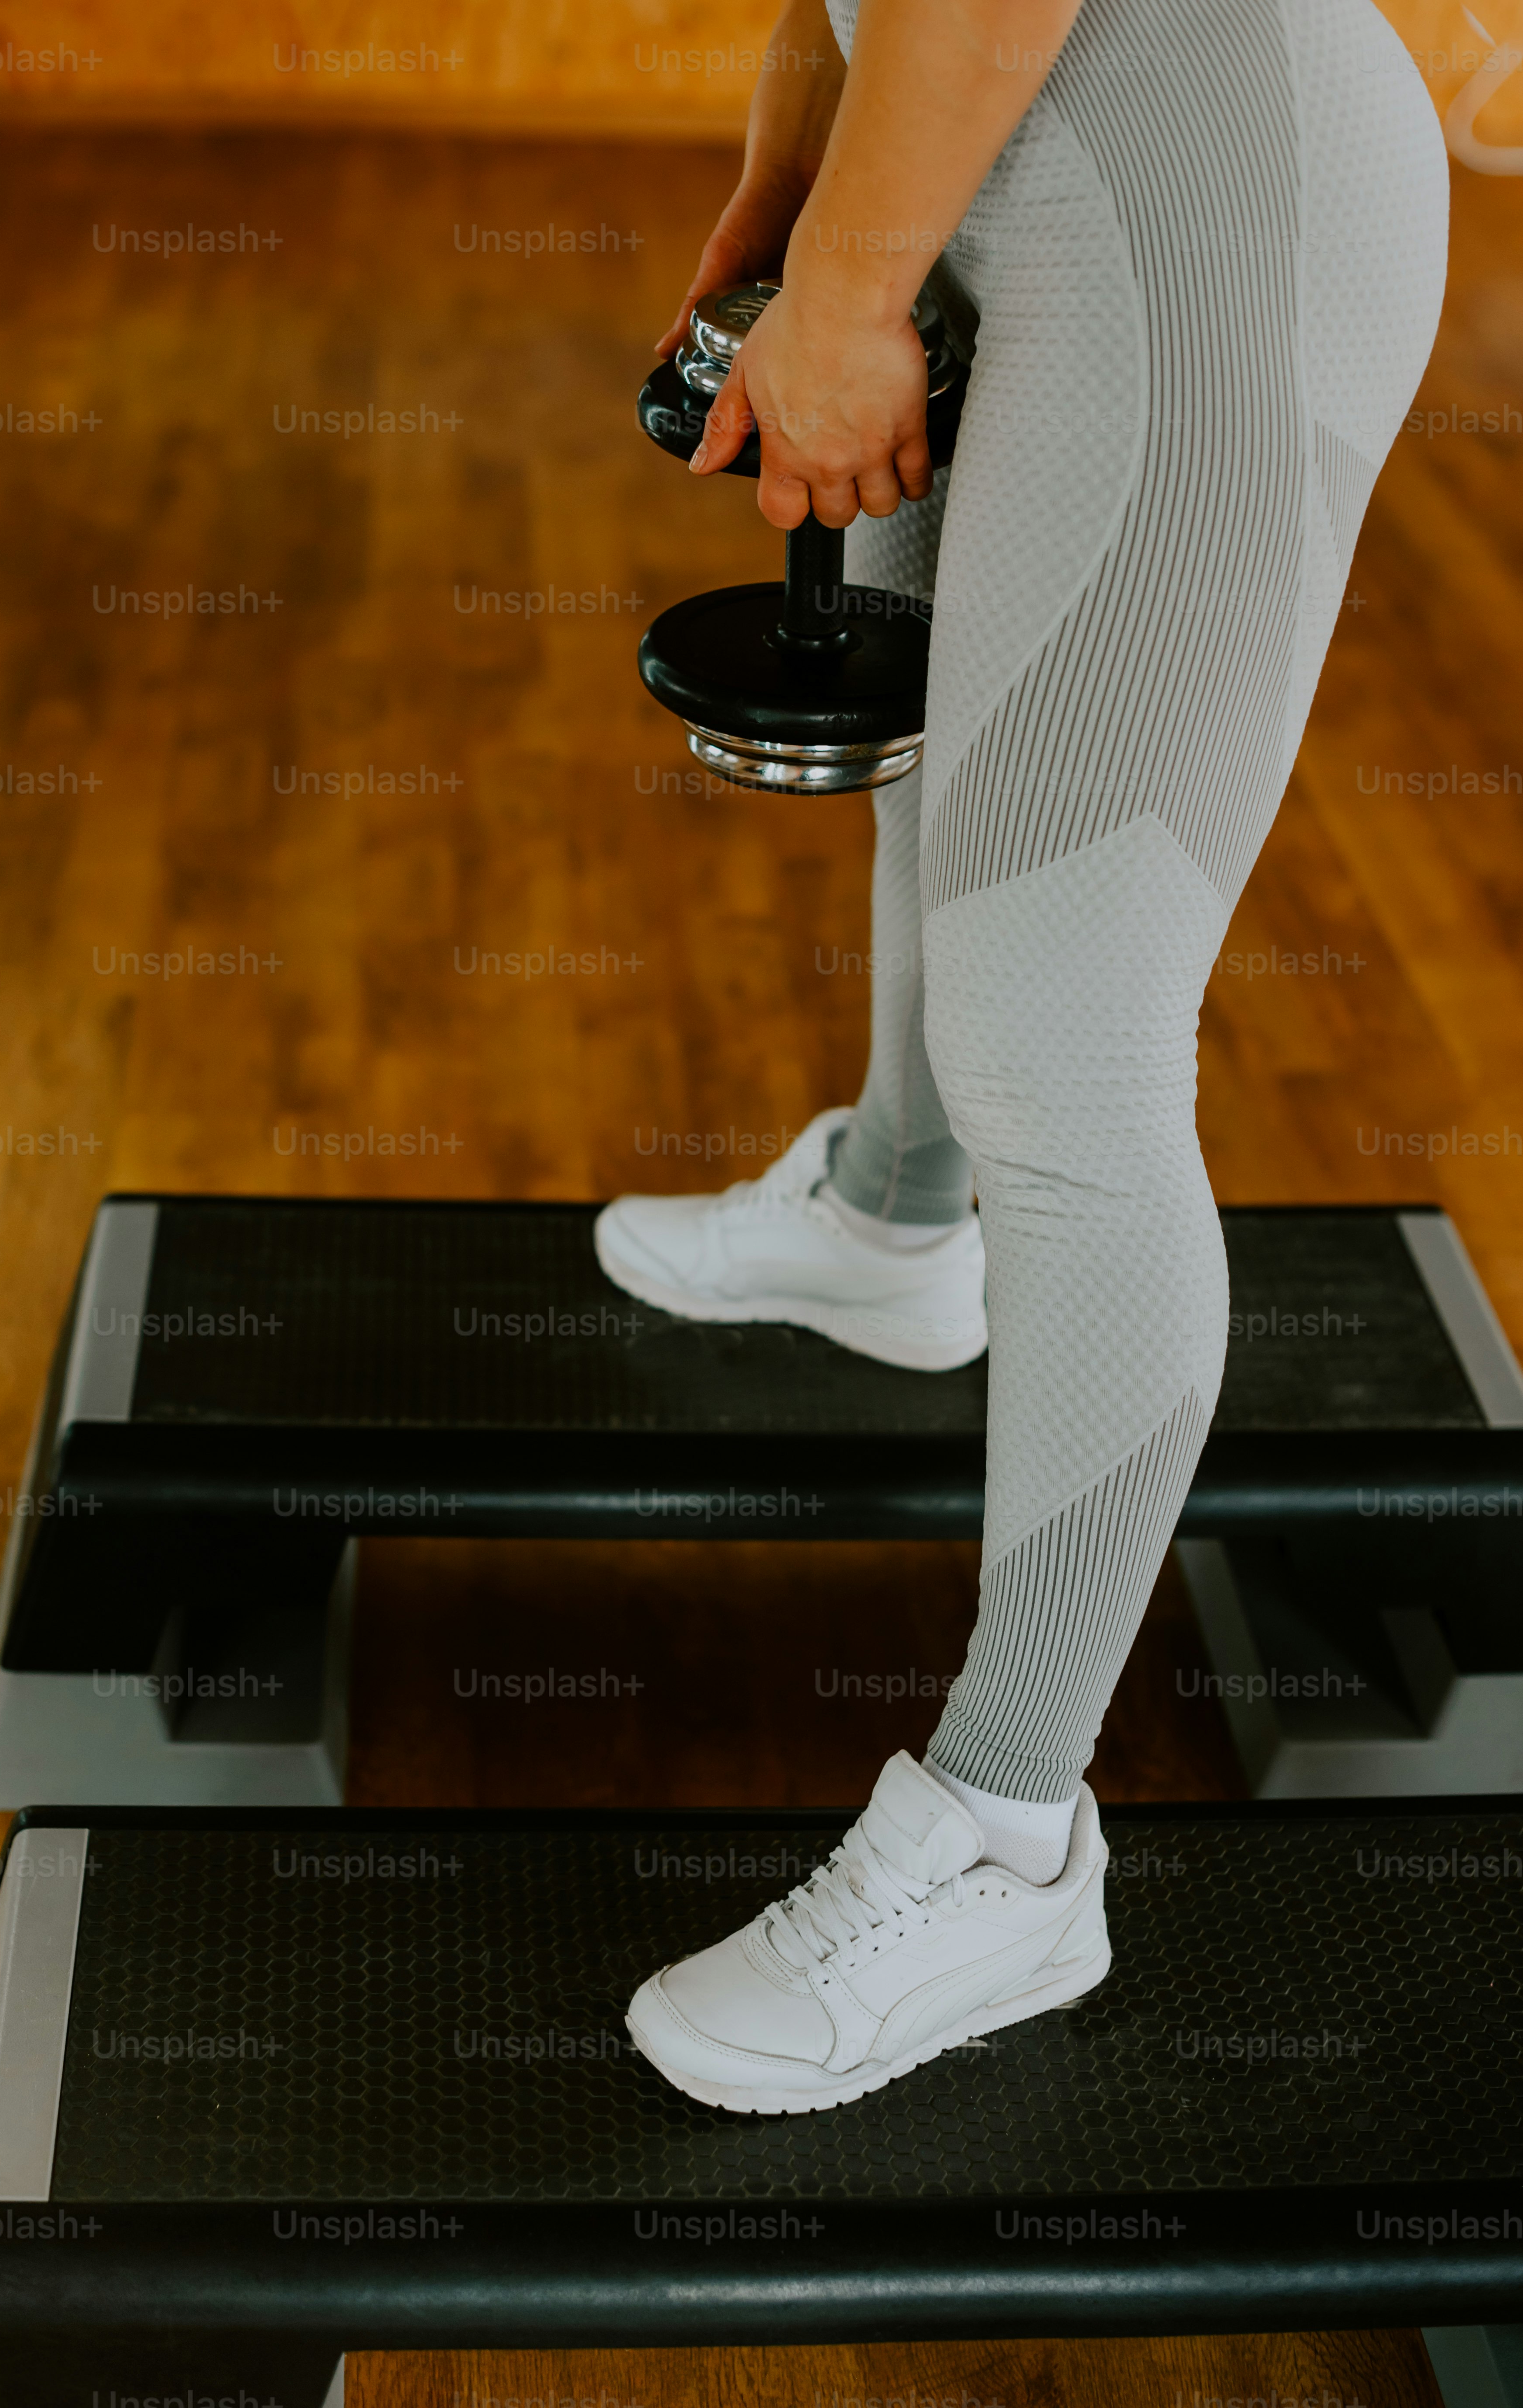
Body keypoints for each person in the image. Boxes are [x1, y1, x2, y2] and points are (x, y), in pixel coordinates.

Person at [601, 0, 1449, 2113]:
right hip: (987, 151)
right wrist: (796, 208)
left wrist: (860, 286)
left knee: (1069, 1038)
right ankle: (898, 1216)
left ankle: (1006, 1833)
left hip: (1199, 198)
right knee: (949, 771)